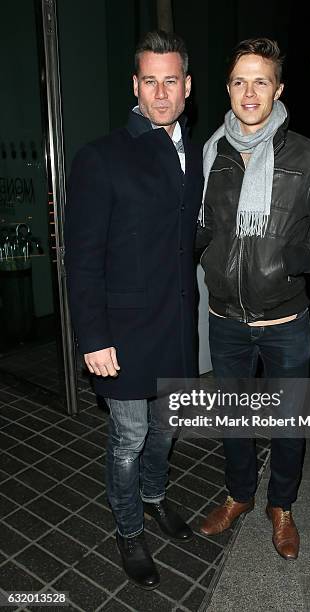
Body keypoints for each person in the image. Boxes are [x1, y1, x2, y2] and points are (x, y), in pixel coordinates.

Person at [196, 37, 310, 560]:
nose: (249, 91)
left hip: (285, 320)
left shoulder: (308, 157)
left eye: (260, 81)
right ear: (228, 88)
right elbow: (202, 224)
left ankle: (281, 506)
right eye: (240, 80)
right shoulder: (212, 152)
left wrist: (291, 260)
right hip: (225, 318)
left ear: (278, 89)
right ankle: (240, 495)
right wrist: (205, 253)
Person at [65, 30, 203, 589]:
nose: (161, 92)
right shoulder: (101, 156)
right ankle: (129, 530)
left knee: (166, 430)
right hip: (120, 332)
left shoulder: (195, 152)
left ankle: (154, 497)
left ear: (188, 86)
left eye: (172, 80)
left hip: (175, 325)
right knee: (129, 436)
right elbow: (82, 259)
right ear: (135, 85)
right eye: (150, 80)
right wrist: (92, 338)